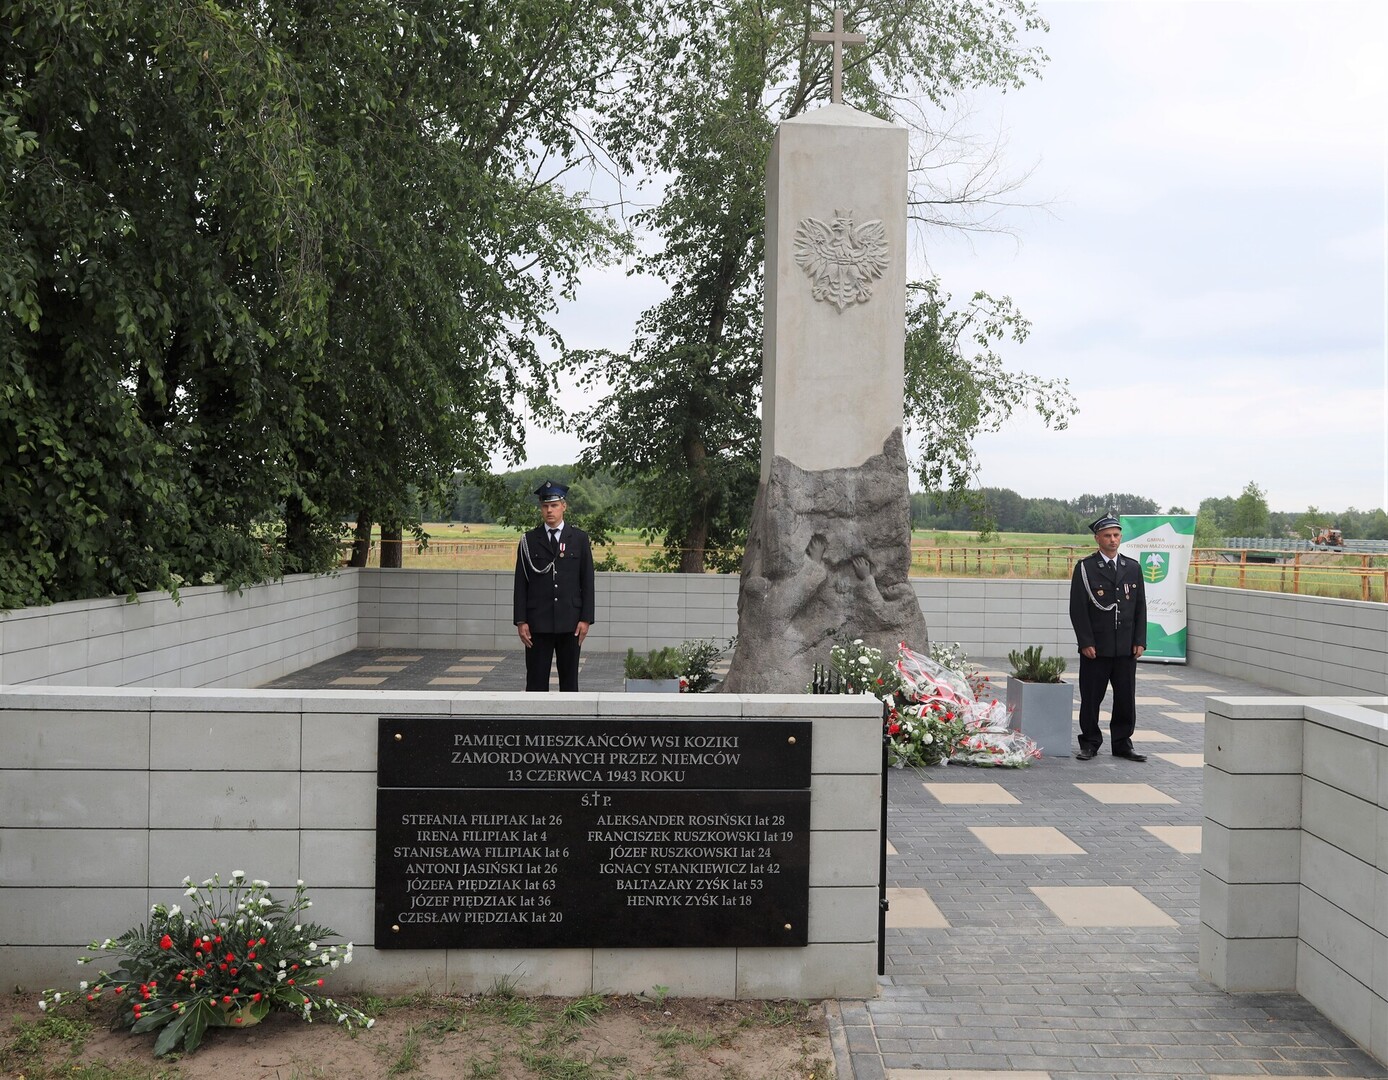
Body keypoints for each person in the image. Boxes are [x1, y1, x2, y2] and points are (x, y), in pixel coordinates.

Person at [1068, 513, 1147, 761]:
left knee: (1126, 698)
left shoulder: (1132, 567)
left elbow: (1140, 607)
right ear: (1097, 538)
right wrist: (1086, 642)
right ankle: (1090, 742)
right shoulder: (1086, 568)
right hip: (1097, 648)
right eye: (1107, 536)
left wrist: (1140, 640)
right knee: (1091, 698)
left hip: (1125, 647)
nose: (1113, 540)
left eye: (1116, 535)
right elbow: (1078, 609)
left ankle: (1122, 743)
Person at [513, 481, 595, 691]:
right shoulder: (529, 540)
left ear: (563, 506)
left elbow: (587, 581)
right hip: (538, 623)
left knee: (569, 683)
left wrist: (586, 619)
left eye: (554, 505)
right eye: (545, 506)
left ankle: (570, 715)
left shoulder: (579, 539)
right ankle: (536, 715)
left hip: (570, 622)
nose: (549, 510)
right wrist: (521, 621)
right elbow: (521, 584)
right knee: (535, 683)